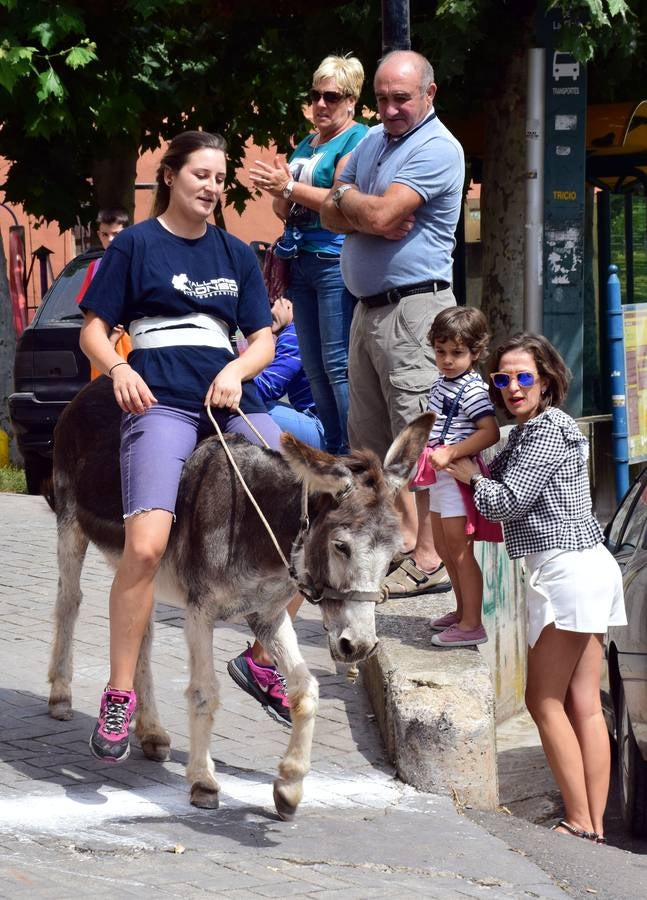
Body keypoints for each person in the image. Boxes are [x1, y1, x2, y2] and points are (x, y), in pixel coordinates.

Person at [78, 130, 283, 764]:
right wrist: (117, 368)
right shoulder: (136, 246)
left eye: (220, 178)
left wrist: (236, 371)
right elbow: (91, 329)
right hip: (160, 402)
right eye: (201, 174)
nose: (212, 187)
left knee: (306, 510)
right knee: (144, 546)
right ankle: (120, 694)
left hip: (227, 406)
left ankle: (260, 655)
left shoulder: (235, 253)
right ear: (170, 176)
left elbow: (263, 341)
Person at [446, 333, 626, 842]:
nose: (512, 387)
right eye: (501, 379)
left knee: (542, 700)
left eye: (524, 377)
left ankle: (579, 819)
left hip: (567, 570)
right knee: (584, 701)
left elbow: (504, 502)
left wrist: (464, 472)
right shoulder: (529, 432)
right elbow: (494, 465)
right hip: (585, 567)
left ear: (546, 379)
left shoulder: (547, 430)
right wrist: (469, 450)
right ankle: (592, 823)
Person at [320, 49, 465, 597]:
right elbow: (334, 211)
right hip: (367, 309)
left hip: (414, 311)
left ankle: (427, 557)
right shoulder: (374, 141)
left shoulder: (437, 147)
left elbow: (374, 214)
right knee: (370, 442)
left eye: (401, 98)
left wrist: (353, 202)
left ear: (429, 93)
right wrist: (357, 203)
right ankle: (396, 544)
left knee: (416, 438)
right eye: (381, 99)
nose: (389, 109)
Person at [249, 54, 367, 455]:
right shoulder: (306, 142)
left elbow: (337, 201)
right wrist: (279, 192)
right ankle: (333, 449)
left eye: (331, 96)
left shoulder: (358, 138)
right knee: (314, 367)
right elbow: (285, 210)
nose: (320, 104)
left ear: (351, 99)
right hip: (299, 258)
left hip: (333, 259)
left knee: (336, 364)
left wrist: (287, 189)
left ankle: (349, 452)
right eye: (315, 95)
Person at [405, 307, 500, 645]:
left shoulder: (473, 390)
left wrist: (452, 452)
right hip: (440, 476)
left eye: (457, 353)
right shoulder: (444, 382)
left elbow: (490, 432)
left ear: (475, 352)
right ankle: (461, 613)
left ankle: (472, 622)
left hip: (457, 478)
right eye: (440, 351)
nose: (447, 359)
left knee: (459, 550)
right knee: (445, 547)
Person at [254, 296, 325, 450]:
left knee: (246, 410)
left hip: (322, 429)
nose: (264, 312)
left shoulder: (293, 333)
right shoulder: (308, 327)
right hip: (328, 426)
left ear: (288, 302)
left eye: (271, 304)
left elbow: (270, 386)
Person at [76, 209, 132, 378]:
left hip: (133, 341)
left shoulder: (139, 261)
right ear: (98, 234)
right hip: (104, 343)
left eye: (116, 234)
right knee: (103, 396)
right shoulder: (95, 267)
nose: (110, 240)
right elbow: (86, 309)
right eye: (105, 235)